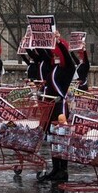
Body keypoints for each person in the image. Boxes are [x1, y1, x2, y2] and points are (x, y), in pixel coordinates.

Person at [37, 33, 77, 182]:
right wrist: (38, 40)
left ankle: (63, 170)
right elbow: (43, 53)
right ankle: (55, 168)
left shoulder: (68, 69)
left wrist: (59, 41)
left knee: (61, 138)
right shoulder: (53, 67)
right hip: (51, 106)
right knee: (53, 138)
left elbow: (68, 57)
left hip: (61, 107)